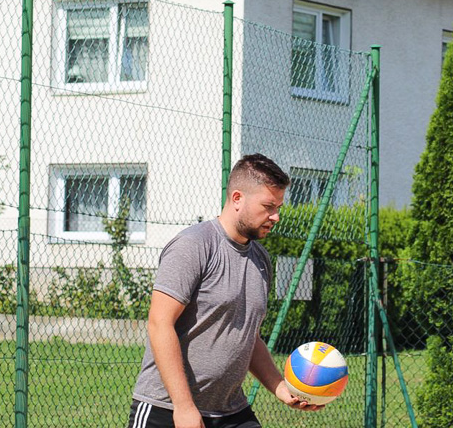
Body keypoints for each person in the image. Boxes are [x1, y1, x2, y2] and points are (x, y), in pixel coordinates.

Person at [127, 153, 322, 428]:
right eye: (268, 206)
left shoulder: (261, 259)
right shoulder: (193, 245)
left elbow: (248, 337)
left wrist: (280, 387)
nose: (276, 216)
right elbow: (159, 324)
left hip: (230, 411)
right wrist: (183, 408)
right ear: (237, 198)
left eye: (278, 206)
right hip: (167, 408)